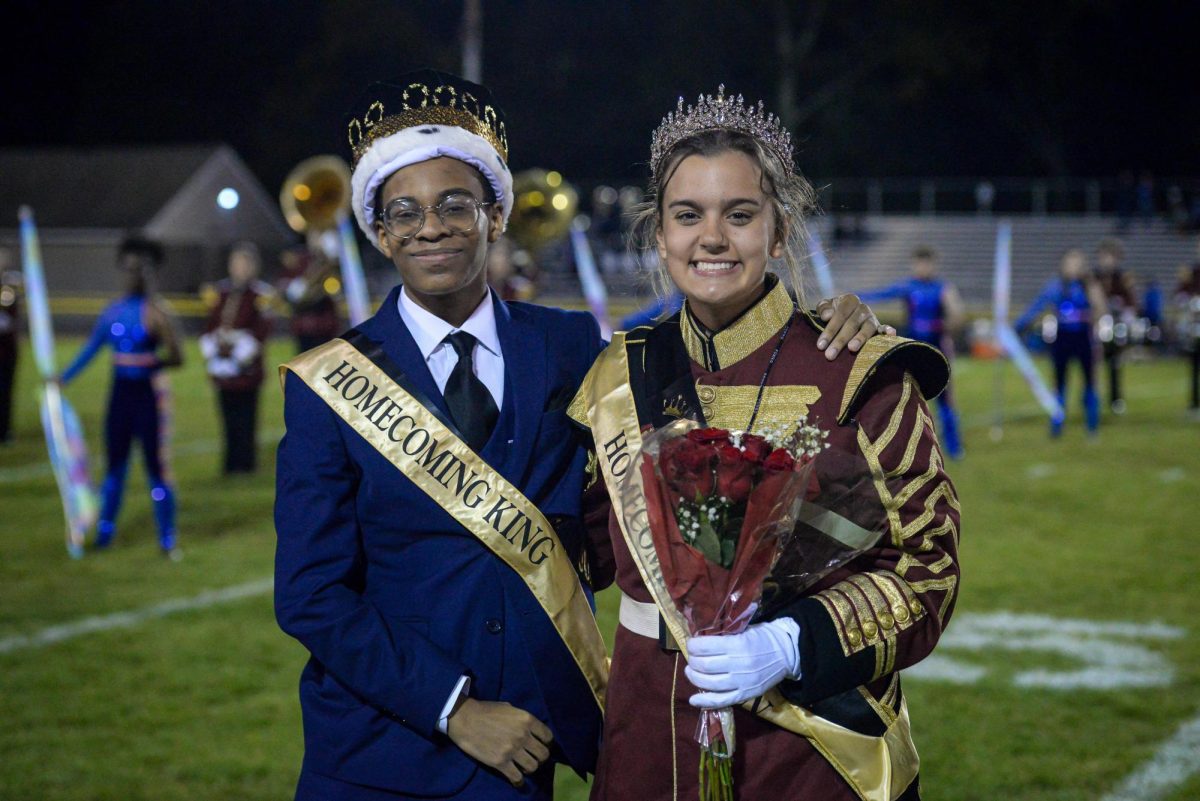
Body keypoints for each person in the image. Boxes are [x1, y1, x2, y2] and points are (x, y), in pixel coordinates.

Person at [273, 70, 890, 801]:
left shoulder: (571, 347)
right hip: (380, 749)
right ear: (379, 231)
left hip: (526, 751)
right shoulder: (326, 383)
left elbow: (631, 488)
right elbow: (310, 593)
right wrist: (454, 708)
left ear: (495, 215)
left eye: (454, 205)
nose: (429, 226)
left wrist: (833, 322)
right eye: (403, 211)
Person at [568, 86, 959, 801]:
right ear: (660, 233)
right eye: (688, 215)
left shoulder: (862, 371)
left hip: (810, 749)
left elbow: (929, 569)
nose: (711, 237)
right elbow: (580, 550)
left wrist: (791, 643)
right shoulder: (616, 376)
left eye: (739, 215)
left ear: (779, 232)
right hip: (647, 739)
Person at [59, 236, 183, 554]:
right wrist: (62, 379)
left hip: (146, 396)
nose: (134, 275)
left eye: (140, 270)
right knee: (115, 466)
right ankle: (105, 533)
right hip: (120, 396)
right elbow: (90, 350)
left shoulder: (157, 312)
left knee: (156, 468)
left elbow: (177, 357)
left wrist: (151, 359)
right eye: (128, 270)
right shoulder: (112, 312)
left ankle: (167, 538)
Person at [859, 245, 965, 458]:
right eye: (919, 263)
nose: (923, 268)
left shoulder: (943, 288)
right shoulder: (908, 287)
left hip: (936, 350)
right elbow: (881, 294)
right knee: (908, 396)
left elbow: (957, 313)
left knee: (945, 398)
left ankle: (954, 447)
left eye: (926, 263)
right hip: (914, 351)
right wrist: (855, 296)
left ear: (933, 265)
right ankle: (913, 444)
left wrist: (949, 323)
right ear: (914, 264)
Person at [1015, 249, 1107, 437]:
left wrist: (1085, 315)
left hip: (1083, 337)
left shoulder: (1089, 286)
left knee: (1090, 383)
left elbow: (1100, 309)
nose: (1071, 267)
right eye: (1068, 263)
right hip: (1063, 338)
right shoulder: (1056, 286)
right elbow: (1037, 306)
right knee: (1059, 384)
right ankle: (1057, 425)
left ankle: (1092, 426)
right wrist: (1017, 326)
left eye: (1076, 263)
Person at [200, 242, 273, 474]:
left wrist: (239, 350)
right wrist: (215, 348)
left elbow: (262, 330)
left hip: (247, 368)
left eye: (244, 264)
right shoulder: (221, 292)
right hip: (224, 367)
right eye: (236, 263)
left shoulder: (261, 294)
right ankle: (230, 463)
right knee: (227, 416)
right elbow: (211, 324)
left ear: (253, 267)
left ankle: (247, 463)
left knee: (247, 417)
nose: (239, 268)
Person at [1093, 238, 1138, 414]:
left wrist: (1124, 313)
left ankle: (1115, 399)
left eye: (1109, 257)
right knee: (1092, 365)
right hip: (1096, 325)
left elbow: (1131, 302)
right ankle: (1091, 399)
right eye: (1103, 257)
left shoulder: (1122, 278)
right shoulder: (1093, 277)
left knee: (1114, 363)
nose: (1105, 260)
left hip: (1115, 326)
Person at [279, 246, 342, 354]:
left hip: (324, 328)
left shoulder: (327, 259)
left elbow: (334, 291)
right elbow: (288, 293)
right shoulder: (299, 263)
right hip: (304, 330)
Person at [0, 249, 21, 445]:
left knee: (4, 392)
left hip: (5, 353)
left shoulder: (8, 289)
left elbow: (7, 322)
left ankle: (4, 431)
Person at [1175, 255, 1200, 419]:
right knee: (1195, 364)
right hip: (1196, 325)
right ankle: (1194, 403)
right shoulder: (1194, 271)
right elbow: (1180, 295)